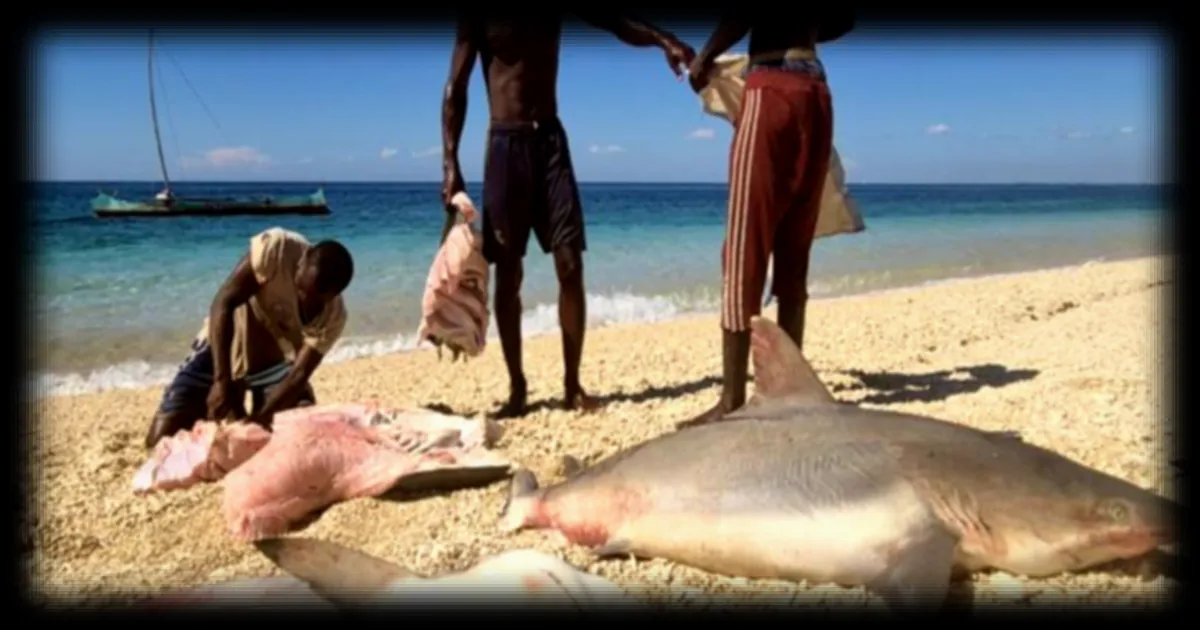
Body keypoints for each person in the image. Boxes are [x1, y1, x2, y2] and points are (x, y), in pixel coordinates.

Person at [441, 14, 695, 418]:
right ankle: (518, 388)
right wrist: (450, 163)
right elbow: (457, 87)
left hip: (551, 141)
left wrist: (665, 41)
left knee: (570, 262)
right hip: (506, 145)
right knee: (508, 272)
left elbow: (617, 21)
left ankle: (572, 386)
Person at [680, 12, 854, 428]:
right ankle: (791, 393)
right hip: (816, 92)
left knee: (744, 248)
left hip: (773, 84)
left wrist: (705, 57)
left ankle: (732, 400)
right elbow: (845, 20)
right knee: (795, 245)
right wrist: (805, 30)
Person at [144, 227, 354, 449]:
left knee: (297, 429)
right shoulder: (277, 249)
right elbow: (223, 303)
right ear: (301, 261)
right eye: (300, 288)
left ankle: (245, 407)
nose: (300, 297)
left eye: (311, 297)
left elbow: (298, 374)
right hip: (223, 348)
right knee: (159, 441)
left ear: (333, 295)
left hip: (275, 364)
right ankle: (218, 405)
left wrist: (259, 419)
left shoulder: (333, 317)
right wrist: (221, 380)